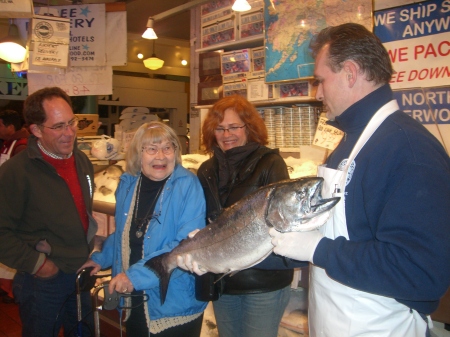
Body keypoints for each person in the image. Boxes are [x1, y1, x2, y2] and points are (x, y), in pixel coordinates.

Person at [268, 23, 450, 337]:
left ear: (351, 73)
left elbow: (422, 272)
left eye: (321, 80)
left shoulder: (408, 149)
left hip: (382, 328)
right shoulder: (347, 144)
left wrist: (319, 250)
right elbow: (326, 235)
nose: (318, 93)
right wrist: (226, 253)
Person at [178, 94, 294, 337]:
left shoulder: (270, 163)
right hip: (222, 280)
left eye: (234, 127)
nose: (226, 134)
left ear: (249, 128)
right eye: (219, 128)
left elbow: (283, 222)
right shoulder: (207, 170)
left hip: (263, 283)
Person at [79, 121, 207, 337]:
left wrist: (135, 277)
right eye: (151, 149)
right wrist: (100, 259)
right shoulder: (129, 183)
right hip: (134, 298)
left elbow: (184, 245)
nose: (161, 156)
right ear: (138, 153)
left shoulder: (188, 185)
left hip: (172, 300)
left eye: (168, 148)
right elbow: (124, 234)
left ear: (176, 152)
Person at [0, 86, 102, 337]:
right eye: (58, 127)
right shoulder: (16, 172)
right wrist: (40, 265)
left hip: (80, 273)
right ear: (35, 130)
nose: (70, 133)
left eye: (71, 123)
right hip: (42, 281)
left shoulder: (82, 161)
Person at [0, 109, 30, 303]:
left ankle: (12, 290)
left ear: (11, 127)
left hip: (14, 204)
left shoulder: (21, 146)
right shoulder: (7, 144)